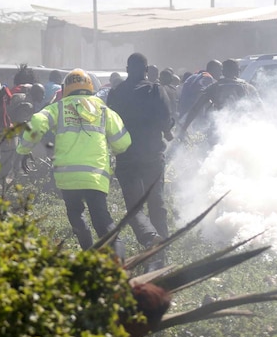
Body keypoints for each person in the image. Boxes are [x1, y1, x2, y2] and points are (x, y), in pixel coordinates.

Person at [18, 69, 131, 258]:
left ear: (66, 88)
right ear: (90, 87)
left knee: (76, 215)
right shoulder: (104, 110)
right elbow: (123, 142)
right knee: (102, 220)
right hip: (96, 176)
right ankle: (119, 262)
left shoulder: (59, 107)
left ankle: (88, 255)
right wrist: (115, 150)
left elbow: (37, 121)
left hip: (68, 176)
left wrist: (23, 149)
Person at [107, 53, 174, 251]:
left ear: (127, 69)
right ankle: (162, 246)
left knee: (134, 206)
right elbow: (166, 121)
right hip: (152, 156)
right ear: (146, 70)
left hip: (126, 156)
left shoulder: (116, 92)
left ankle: (149, 239)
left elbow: (110, 124)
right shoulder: (155, 90)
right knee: (156, 201)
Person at [178, 58, 261, 139]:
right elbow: (260, 107)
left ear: (223, 72)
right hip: (243, 128)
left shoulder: (214, 87)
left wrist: (184, 127)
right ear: (237, 71)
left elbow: (196, 108)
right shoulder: (248, 87)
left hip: (220, 129)